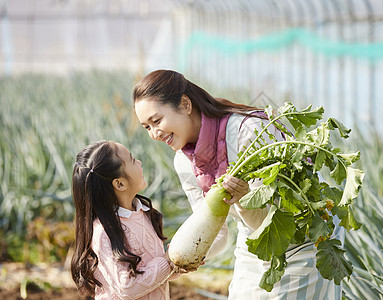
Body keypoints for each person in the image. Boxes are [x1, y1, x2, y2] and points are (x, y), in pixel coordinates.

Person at [132, 70, 345, 299]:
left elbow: (273, 217)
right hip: (253, 240)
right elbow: (217, 231)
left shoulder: (248, 130)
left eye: (157, 121)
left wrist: (244, 199)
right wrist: (181, 258)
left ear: (185, 104)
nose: (154, 133)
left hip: (303, 237)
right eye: (147, 127)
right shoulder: (183, 162)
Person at [71, 140, 187, 300]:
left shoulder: (145, 214)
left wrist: (177, 265)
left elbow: (152, 275)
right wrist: (166, 262)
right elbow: (128, 288)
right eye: (132, 159)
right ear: (120, 183)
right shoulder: (104, 232)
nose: (139, 162)